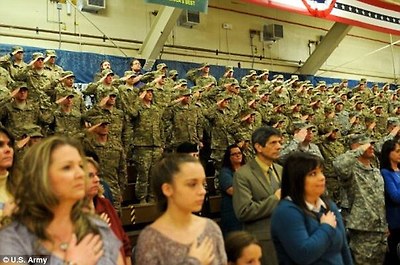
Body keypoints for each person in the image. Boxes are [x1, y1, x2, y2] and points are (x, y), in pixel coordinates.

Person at [0, 136, 124, 265]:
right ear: (42, 177)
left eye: (81, 166)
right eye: (67, 167)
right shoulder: (15, 237)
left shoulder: (97, 227)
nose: (81, 174)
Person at [135, 154, 227, 265]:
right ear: (168, 189)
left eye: (203, 183)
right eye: (192, 184)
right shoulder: (151, 239)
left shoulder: (211, 229)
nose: (202, 191)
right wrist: (193, 262)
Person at [271, 152, 353, 265]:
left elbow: (344, 249)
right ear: (296, 179)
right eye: (313, 174)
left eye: (321, 172)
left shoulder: (329, 205)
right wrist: (326, 227)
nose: (322, 178)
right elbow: (303, 255)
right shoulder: (286, 212)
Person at [333, 134, 386, 265]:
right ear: (356, 147)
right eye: (368, 144)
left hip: (380, 228)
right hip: (362, 228)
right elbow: (338, 164)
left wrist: (385, 225)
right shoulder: (351, 170)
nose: (371, 147)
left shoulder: (375, 169)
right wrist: (358, 150)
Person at [233, 126, 283, 265]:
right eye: (273, 143)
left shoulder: (281, 170)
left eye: (279, 142)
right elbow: (243, 211)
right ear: (258, 147)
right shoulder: (243, 175)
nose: (279, 146)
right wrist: (275, 199)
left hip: (287, 239)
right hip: (262, 243)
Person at [85, 157, 132, 265]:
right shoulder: (70, 213)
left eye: (97, 174)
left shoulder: (105, 204)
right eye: (90, 175)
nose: (97, 179)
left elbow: (124, 244)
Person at [379, 139, 400, 264]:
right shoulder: (385, 173)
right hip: (395, 222)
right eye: (397, 151)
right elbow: (395, 196)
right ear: (388, 153)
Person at [218, 144, 245, 236]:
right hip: (232, 211)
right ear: (229, 157)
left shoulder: (247, 169)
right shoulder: (225, 172)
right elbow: (231, 190)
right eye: (234, 154)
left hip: (247, 210)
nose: (238, 155)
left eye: (239, 153)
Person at [0, 127, 16, 228]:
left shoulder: (23, 186)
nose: (8, 150)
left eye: (9, 145)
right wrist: (6, 219)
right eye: (0, 145)